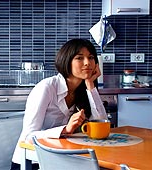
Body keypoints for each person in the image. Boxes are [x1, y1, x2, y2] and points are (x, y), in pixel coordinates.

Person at [10, 38, 108, 170]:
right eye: (79, 58)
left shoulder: (83, 89)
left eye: (91, 58)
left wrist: (90, 85)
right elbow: (29, 136)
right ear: (67, 61)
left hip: (62, 158)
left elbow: (101, 123)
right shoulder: (46, 88)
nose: (87, 63)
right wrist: (65, 130)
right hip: (32, 161)